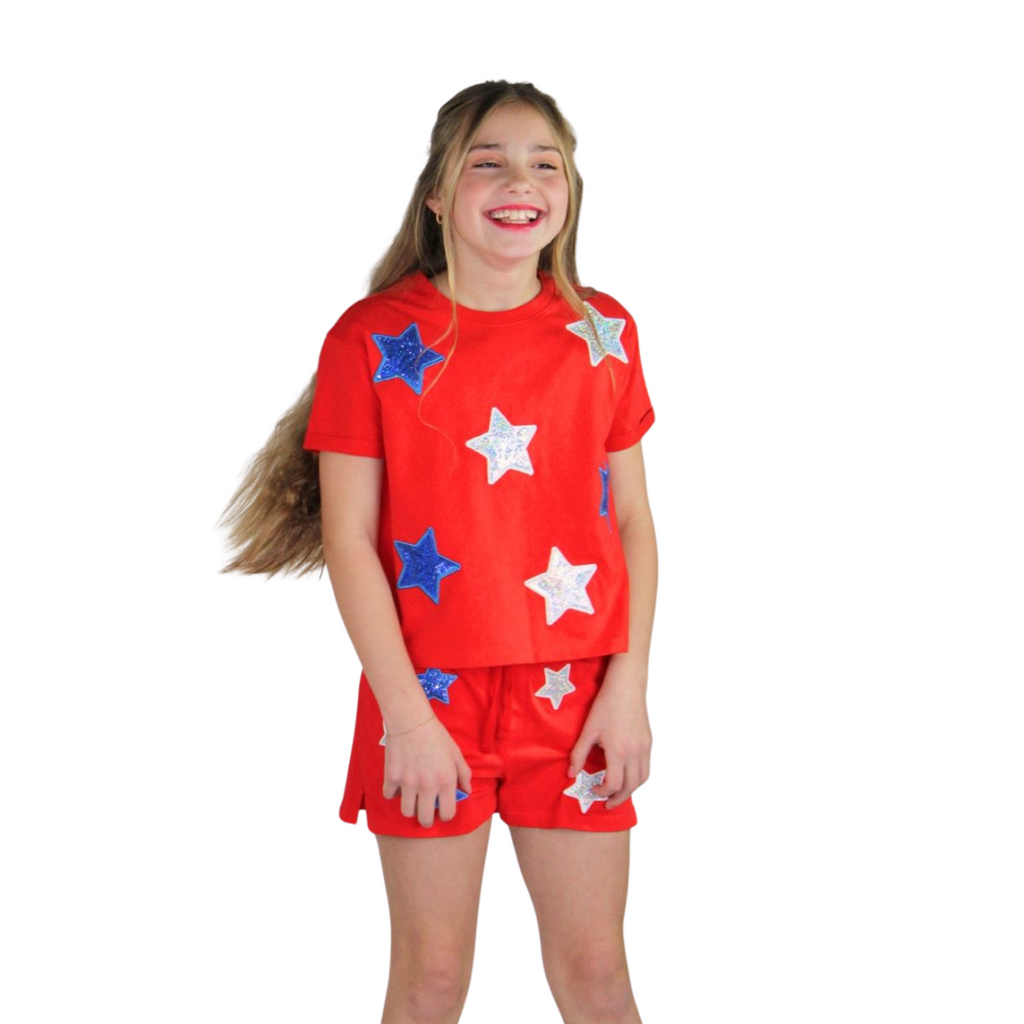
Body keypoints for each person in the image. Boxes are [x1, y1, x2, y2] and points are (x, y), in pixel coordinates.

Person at [221, 80, 657, 1024]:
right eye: (487, 162)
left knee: (597, 974)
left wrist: (629, 690)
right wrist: (407, 719)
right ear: (437, 194)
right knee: (430, 981)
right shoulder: (372, 338)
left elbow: (632, 522)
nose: (520, 181)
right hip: (429, 696)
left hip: (576, 696)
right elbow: (350, 540)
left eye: (545, 163)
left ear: (571, 190)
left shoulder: (605, 331)